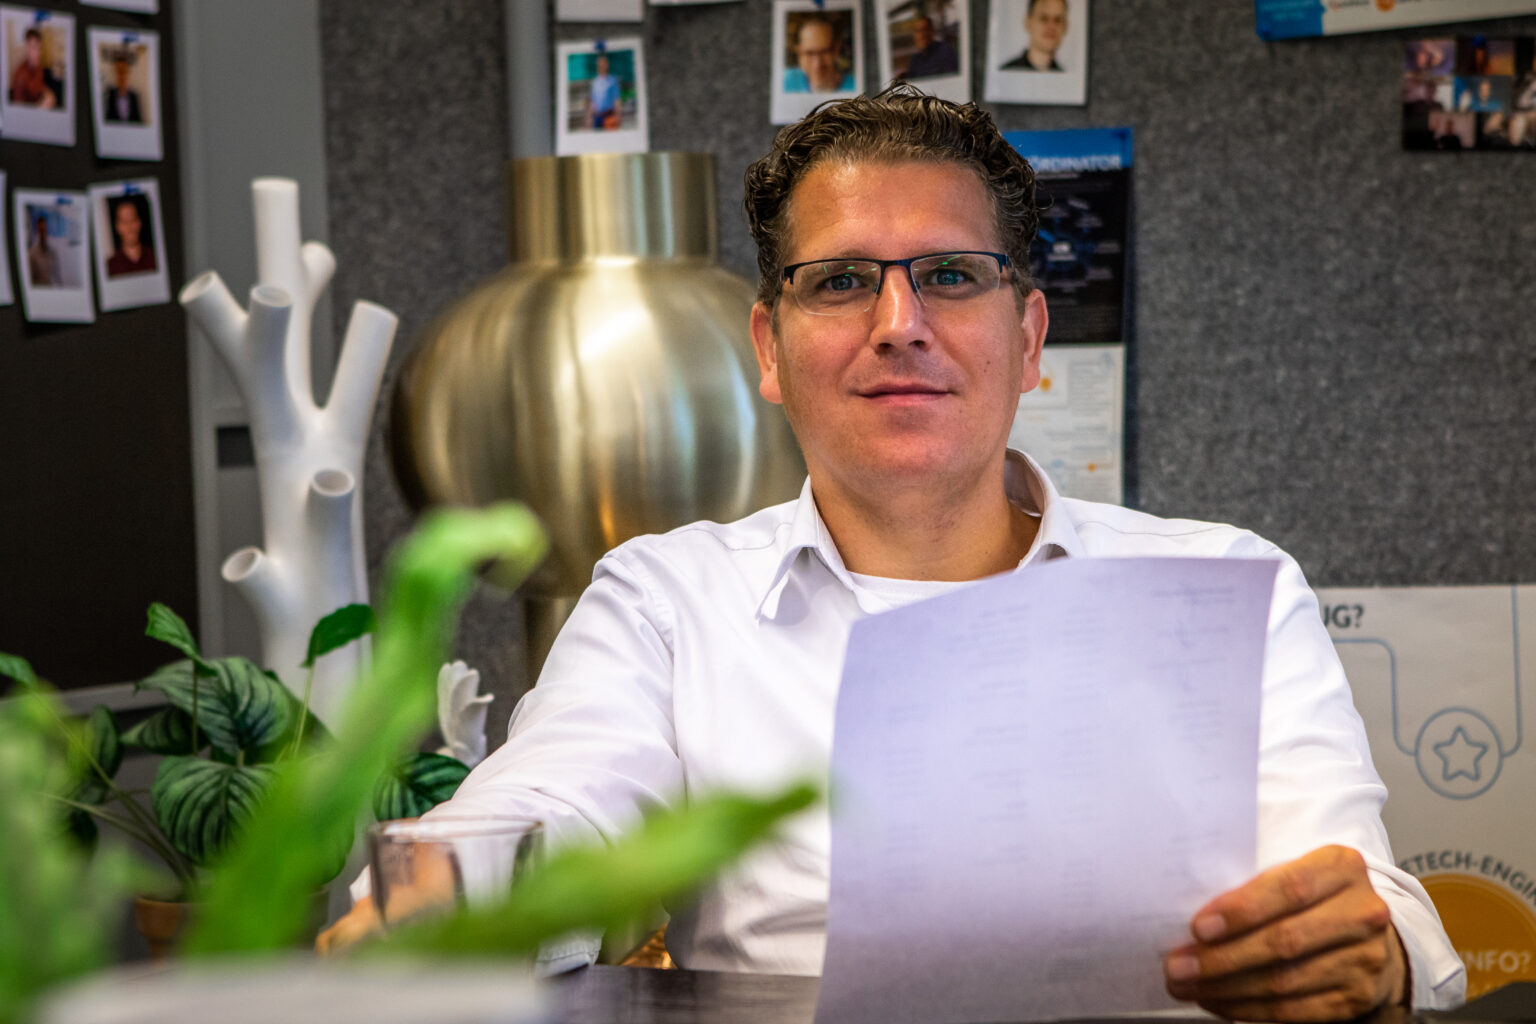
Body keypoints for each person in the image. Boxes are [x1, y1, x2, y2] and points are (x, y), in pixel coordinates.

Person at [319, 85, 1465, 1020]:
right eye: (841, 281)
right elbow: (551, 806)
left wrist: (1369, 954)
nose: (899, 323)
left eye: (951, 275)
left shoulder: (1226, 584)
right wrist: (441, 899)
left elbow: (1378, 904)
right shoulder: (669, 599)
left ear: (1029, 337)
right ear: (771, 347)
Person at [783, 15, 855, 93]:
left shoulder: (855, 85)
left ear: (836, 49)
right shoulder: (784, 81)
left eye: (824, 52)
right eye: (809, 53)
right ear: (799, 52)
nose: (817, 64)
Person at [1002, 0, 1067, 72]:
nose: (1051, 27)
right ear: (1028, 23)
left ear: (1065, 26)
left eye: (1057, 20)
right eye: (1043, 18)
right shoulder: (1007, 71)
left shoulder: (1066, 75)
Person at [8, 26, 61, 109]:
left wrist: (48, 93)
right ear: (27, 47)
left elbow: (40, 85)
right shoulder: (20, 77)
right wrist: (41, 108)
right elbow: (18, 113)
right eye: (34, 48)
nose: (38, 54)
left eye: (40, 48)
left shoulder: (38, 67)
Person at [105, 196, 155, 276]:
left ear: (139, 223)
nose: (129, 227)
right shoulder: (110, 267)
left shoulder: (155, 258)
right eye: (124, 222)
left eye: (133, 219)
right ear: (118, 227)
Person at [900, 15, 958, 80]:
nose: (921, 35)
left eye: (924, 30)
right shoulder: (915, 60)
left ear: (931, 31)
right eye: (917, 31)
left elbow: (952, 79)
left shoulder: (945, 51)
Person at [102, 52, 143, 124]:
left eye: (124, 71)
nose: (121, 76)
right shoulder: (109, 95)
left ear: (128, 73)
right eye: (119, 72)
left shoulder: (134, 97)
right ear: (115, 73)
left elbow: (139, 121)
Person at [27, 213, 61, 287]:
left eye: (45, 230)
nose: (43, 233)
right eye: (41, 230)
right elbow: (30, 281)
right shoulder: (31, 254)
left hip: (51, 290)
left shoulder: (53, 252)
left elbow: (57, 276)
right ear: (38, 231)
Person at [587, 52, 619, 130]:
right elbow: (592, 101)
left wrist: (618, 115)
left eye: (603, 64)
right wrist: (589, 117)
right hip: (597, 118)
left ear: (607, 65)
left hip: (609, 116)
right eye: (599, 64)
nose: (601, 66)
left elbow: (617, 100)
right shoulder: (595, 82)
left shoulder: (612, 80)